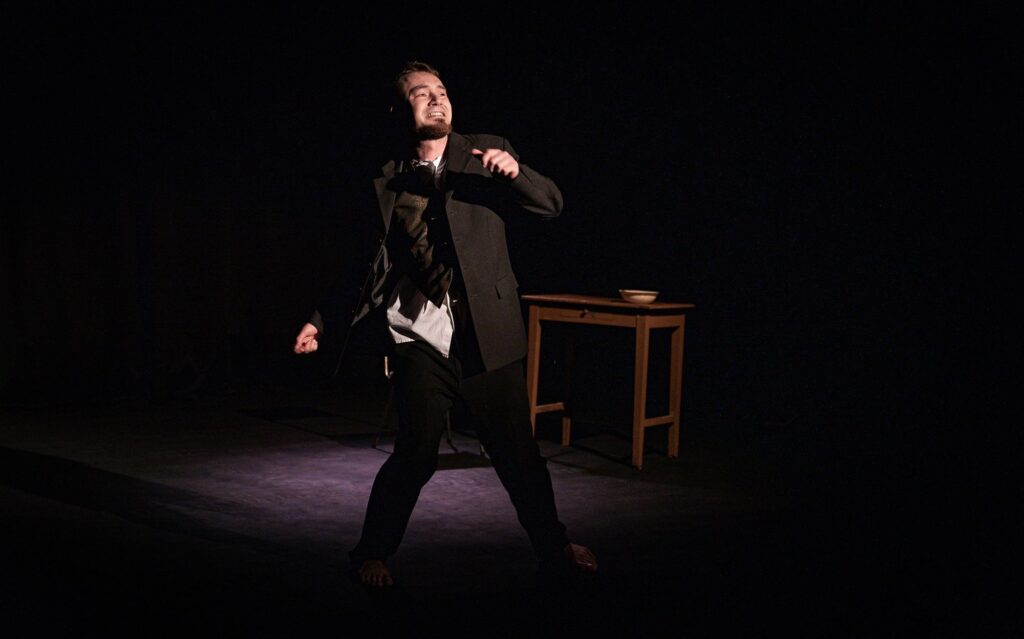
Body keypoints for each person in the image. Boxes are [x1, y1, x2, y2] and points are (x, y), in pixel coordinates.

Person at [294, 61, 597, 587]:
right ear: (399, 110)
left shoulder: (485, 153)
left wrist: (516, 173)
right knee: (415, 455)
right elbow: (363, 264)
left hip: (487, 333)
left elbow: (551, 205)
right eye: (421, 93)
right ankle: (371, 552)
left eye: (441, 91)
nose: (436, 99)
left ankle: (555, 547)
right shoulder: (385, 180)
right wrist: (321, 320)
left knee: (519, 457)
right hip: (419, 334)